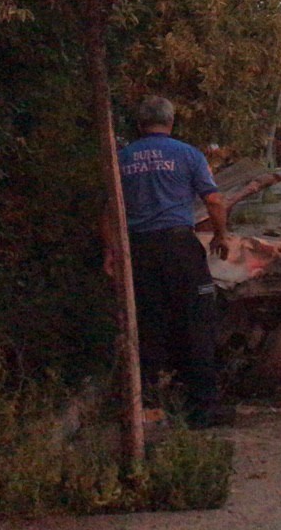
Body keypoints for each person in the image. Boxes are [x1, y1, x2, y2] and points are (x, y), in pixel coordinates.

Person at [117, 96, 234, 427]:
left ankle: (150, 407)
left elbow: (109, 210)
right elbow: (213, 200)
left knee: (149, 325)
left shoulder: (122, 159)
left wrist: (112, 252)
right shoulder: (187, 154)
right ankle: (202, 408)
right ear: (170, 123)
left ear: (140, 125)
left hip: (139, 251)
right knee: (198, 322)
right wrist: (221, 236)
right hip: (179, 248)